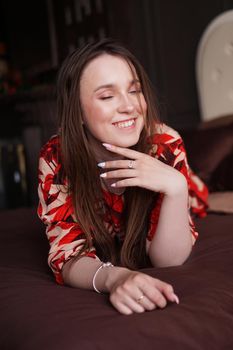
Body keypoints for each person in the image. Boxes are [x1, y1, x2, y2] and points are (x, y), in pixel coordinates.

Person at [37, 38, 208, 315]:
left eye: (135, 90)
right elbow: (67, 256)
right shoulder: (56, 158)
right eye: (107, 96)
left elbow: (168, 262)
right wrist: (115, 277)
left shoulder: (164, 143)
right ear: (77, 111)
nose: (129, 106)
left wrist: (176, 188)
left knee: (196, 192)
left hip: (189, 192)